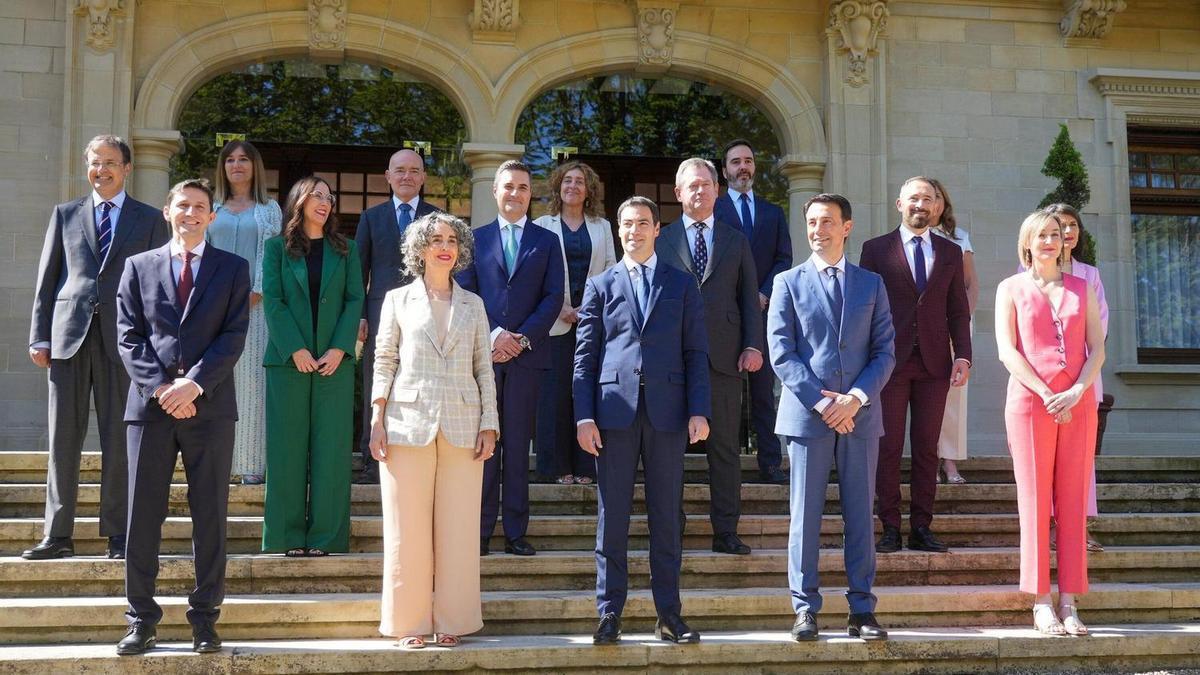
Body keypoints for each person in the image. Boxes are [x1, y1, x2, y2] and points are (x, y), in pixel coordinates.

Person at [115, 178, 250, 655]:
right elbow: (129, 336)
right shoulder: (137, 267)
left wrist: (194, 384)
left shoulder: (234, 269)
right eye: (182, 206)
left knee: (210, 515)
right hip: (150, 410)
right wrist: (162, 388)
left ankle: (205, 621)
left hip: (210, 408)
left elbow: (234, 334)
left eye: (199, 207)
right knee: (141, 515)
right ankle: (141, 619)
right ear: (167, 212)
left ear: (211, 216)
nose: (190, 213)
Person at [575, 196, 711, 645]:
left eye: (643, 224)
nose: (634, 231)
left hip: (669, 416)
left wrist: (699, 409)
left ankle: (669, 615)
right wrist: (583, 416)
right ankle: (609, 612)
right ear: (619, 230)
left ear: (657, 229)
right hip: (613, 415)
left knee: (666, 519)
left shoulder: (682, 283)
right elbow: (585, 358)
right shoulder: (599, 285)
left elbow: (696, 352)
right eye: (627, 224)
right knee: (611, 519)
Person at [26, 135, 169, 561]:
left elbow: (157, 289)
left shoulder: (148, 220)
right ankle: (57, 534)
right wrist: (39, 334)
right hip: (68, 338)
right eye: (94, 162)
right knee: (61, 440)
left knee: (120, 441)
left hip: (124, 343)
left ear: (127, 168)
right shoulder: (65, 214)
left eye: (110, 162)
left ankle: (119, 534)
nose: (101, 170)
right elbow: (48, 278)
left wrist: (156, 347)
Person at [368, 212, 499, 650]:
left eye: (451, 239)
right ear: (419, 250)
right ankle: (408, 623)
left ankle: (453, 621)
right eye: (434, 239)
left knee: (459, 528)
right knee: (406, 528)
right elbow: (383, 359)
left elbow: (485, 367)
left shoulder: (474, 304)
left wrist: (490, 425)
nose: (444, 246)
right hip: (406, 423)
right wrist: (376, 417)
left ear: (460, 249)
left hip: (464, 425)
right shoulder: (396, 300)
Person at [768, 193, 895, 642]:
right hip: (807, 418)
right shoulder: (787, 282)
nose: (817, 230)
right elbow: (781, 353)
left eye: (827, 222)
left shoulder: (872, 284)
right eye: (811, 222)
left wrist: (855, 399)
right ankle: (804, 609)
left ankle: (862, 610)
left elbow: (884, 351)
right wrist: (824, 404)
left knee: (861, 515)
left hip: (860, 418)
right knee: (805, 517)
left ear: (847, 227)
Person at [996, 210, 1104, 636]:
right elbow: (1007, 350)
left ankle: (1070, 600)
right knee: (1036, 503)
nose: (1049, 241)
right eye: (1041, 234)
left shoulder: (1083, 287)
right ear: (1027, 241)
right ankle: (1041, 600)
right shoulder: (1011, 288)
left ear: (1065, 242)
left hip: (1078, 405)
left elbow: (1097, 348)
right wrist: (1045, 393)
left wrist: (1077, 390)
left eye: (1056, 234)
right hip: (1029, 403)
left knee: (1074, 503)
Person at [859, 176, 972, 555]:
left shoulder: (950, 252)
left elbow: (957, 308)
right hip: (888, 364)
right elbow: (864, 309)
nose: (920, 205)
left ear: (936, 206)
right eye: (913, 198)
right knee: (888, 447)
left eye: (927, 198)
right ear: (899, 204)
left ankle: (922, 527)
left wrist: (964, 354)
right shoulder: (874, 250)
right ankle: (889, 526)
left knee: (927, 449)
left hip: (935, 364)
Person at [457, 159, 563, 557]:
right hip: (483, 358)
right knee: (484, 447)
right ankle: (480, 531)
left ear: (529, 193)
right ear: (495, 191)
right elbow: (465, 293)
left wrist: (519, 339)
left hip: (527, 358)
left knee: (518, 448)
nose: (515, 194)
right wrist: (495, 337)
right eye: (508, 187)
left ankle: (516, 532)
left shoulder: (546, 241)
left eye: (522, 187)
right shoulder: (473, 238)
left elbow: (553, 296)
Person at [656, 157, 762, 556]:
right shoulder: (661, 239)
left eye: (706, 184)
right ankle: (672, 529)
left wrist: (753, 344)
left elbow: (748, 298)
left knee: (724, 452)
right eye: (691, 186)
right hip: (671, 364)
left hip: (724, 359)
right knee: (669, 453)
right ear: (679, 193)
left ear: (717, 190)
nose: (699, 191)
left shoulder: (736, 240)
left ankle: (726, 531)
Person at [261, 176, 364, 557]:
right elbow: (273, 301)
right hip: (288, 364)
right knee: (286, 451)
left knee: (332, 452)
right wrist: (296, 349)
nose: (325, 201)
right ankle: (286, 537)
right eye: (317, 195)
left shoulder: (347, 249)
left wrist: (339, 349)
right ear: (299, 201)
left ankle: (326, 538)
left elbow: (355, 300)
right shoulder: (276, 249)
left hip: (334, 366)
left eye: (329, 196)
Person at [1023, 203, 1109, 553]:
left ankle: (1076, 527)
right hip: (1041, 385)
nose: (1065, 234)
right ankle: (1044, 529)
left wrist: (1077, 380)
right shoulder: (1024, 275)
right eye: (1059, 227)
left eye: (1071, 226)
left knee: (1079, 464)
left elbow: (1098, 327)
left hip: (1083, 376)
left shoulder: (1089, 276)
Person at [355, 149, 442, 484]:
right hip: (380, 316)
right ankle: (370, 459)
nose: (407, 176)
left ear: (422, 177)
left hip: (426, 316)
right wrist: (360, 315)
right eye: (400, 170)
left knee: (420, 383)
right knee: (378, 384)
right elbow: (358, 271)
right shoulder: (371, 218)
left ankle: (416, 451)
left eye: (414, 170)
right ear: (388, 176)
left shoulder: (437, 218)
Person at [533, 161, 616, 486]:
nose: (573, 186)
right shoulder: (542, 225)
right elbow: (535, 275)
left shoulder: (602, 227)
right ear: (558, 187)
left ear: (589, 189)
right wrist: (561, 308)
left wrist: (588, 309)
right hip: (553, 324)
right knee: (553, 396)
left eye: (580, 181)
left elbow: (611, 270)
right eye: (567, 181)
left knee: (587, 393)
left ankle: (586, 467)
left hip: (591, 323)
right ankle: (556, 468)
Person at [714, 139, 792, 484]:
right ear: (725, 170)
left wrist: (763, 293)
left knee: (763, 393)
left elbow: (784, 259)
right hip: (723, 315)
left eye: (748, 160)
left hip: (762, 314)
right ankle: (722, 465)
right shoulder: (713, 211)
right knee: (724, 394)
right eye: (735, 162)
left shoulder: (773, 212)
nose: (742, 167)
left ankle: (770, 463)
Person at [208, 140, 282, 485]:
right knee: (212, 381)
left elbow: (272, 255)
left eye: (244, 160)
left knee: (251, 386)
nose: (237, 165)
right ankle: (213, 464)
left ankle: (251, 465)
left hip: (255, 309)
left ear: (255, 167)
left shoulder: (268, 210)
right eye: (231, 160)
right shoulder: (211, 207)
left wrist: (256, 291)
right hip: (210, 309)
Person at [927, 179, 977, 485]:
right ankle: (926, 461)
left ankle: (950, 464)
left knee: (953, 399)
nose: (930, 204)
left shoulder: (959, 238)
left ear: (943, 203)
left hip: (953, 328)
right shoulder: (906, 237)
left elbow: (970, 286)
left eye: (936, 198)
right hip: (921, 329)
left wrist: (960, 325)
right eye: (924, 198)